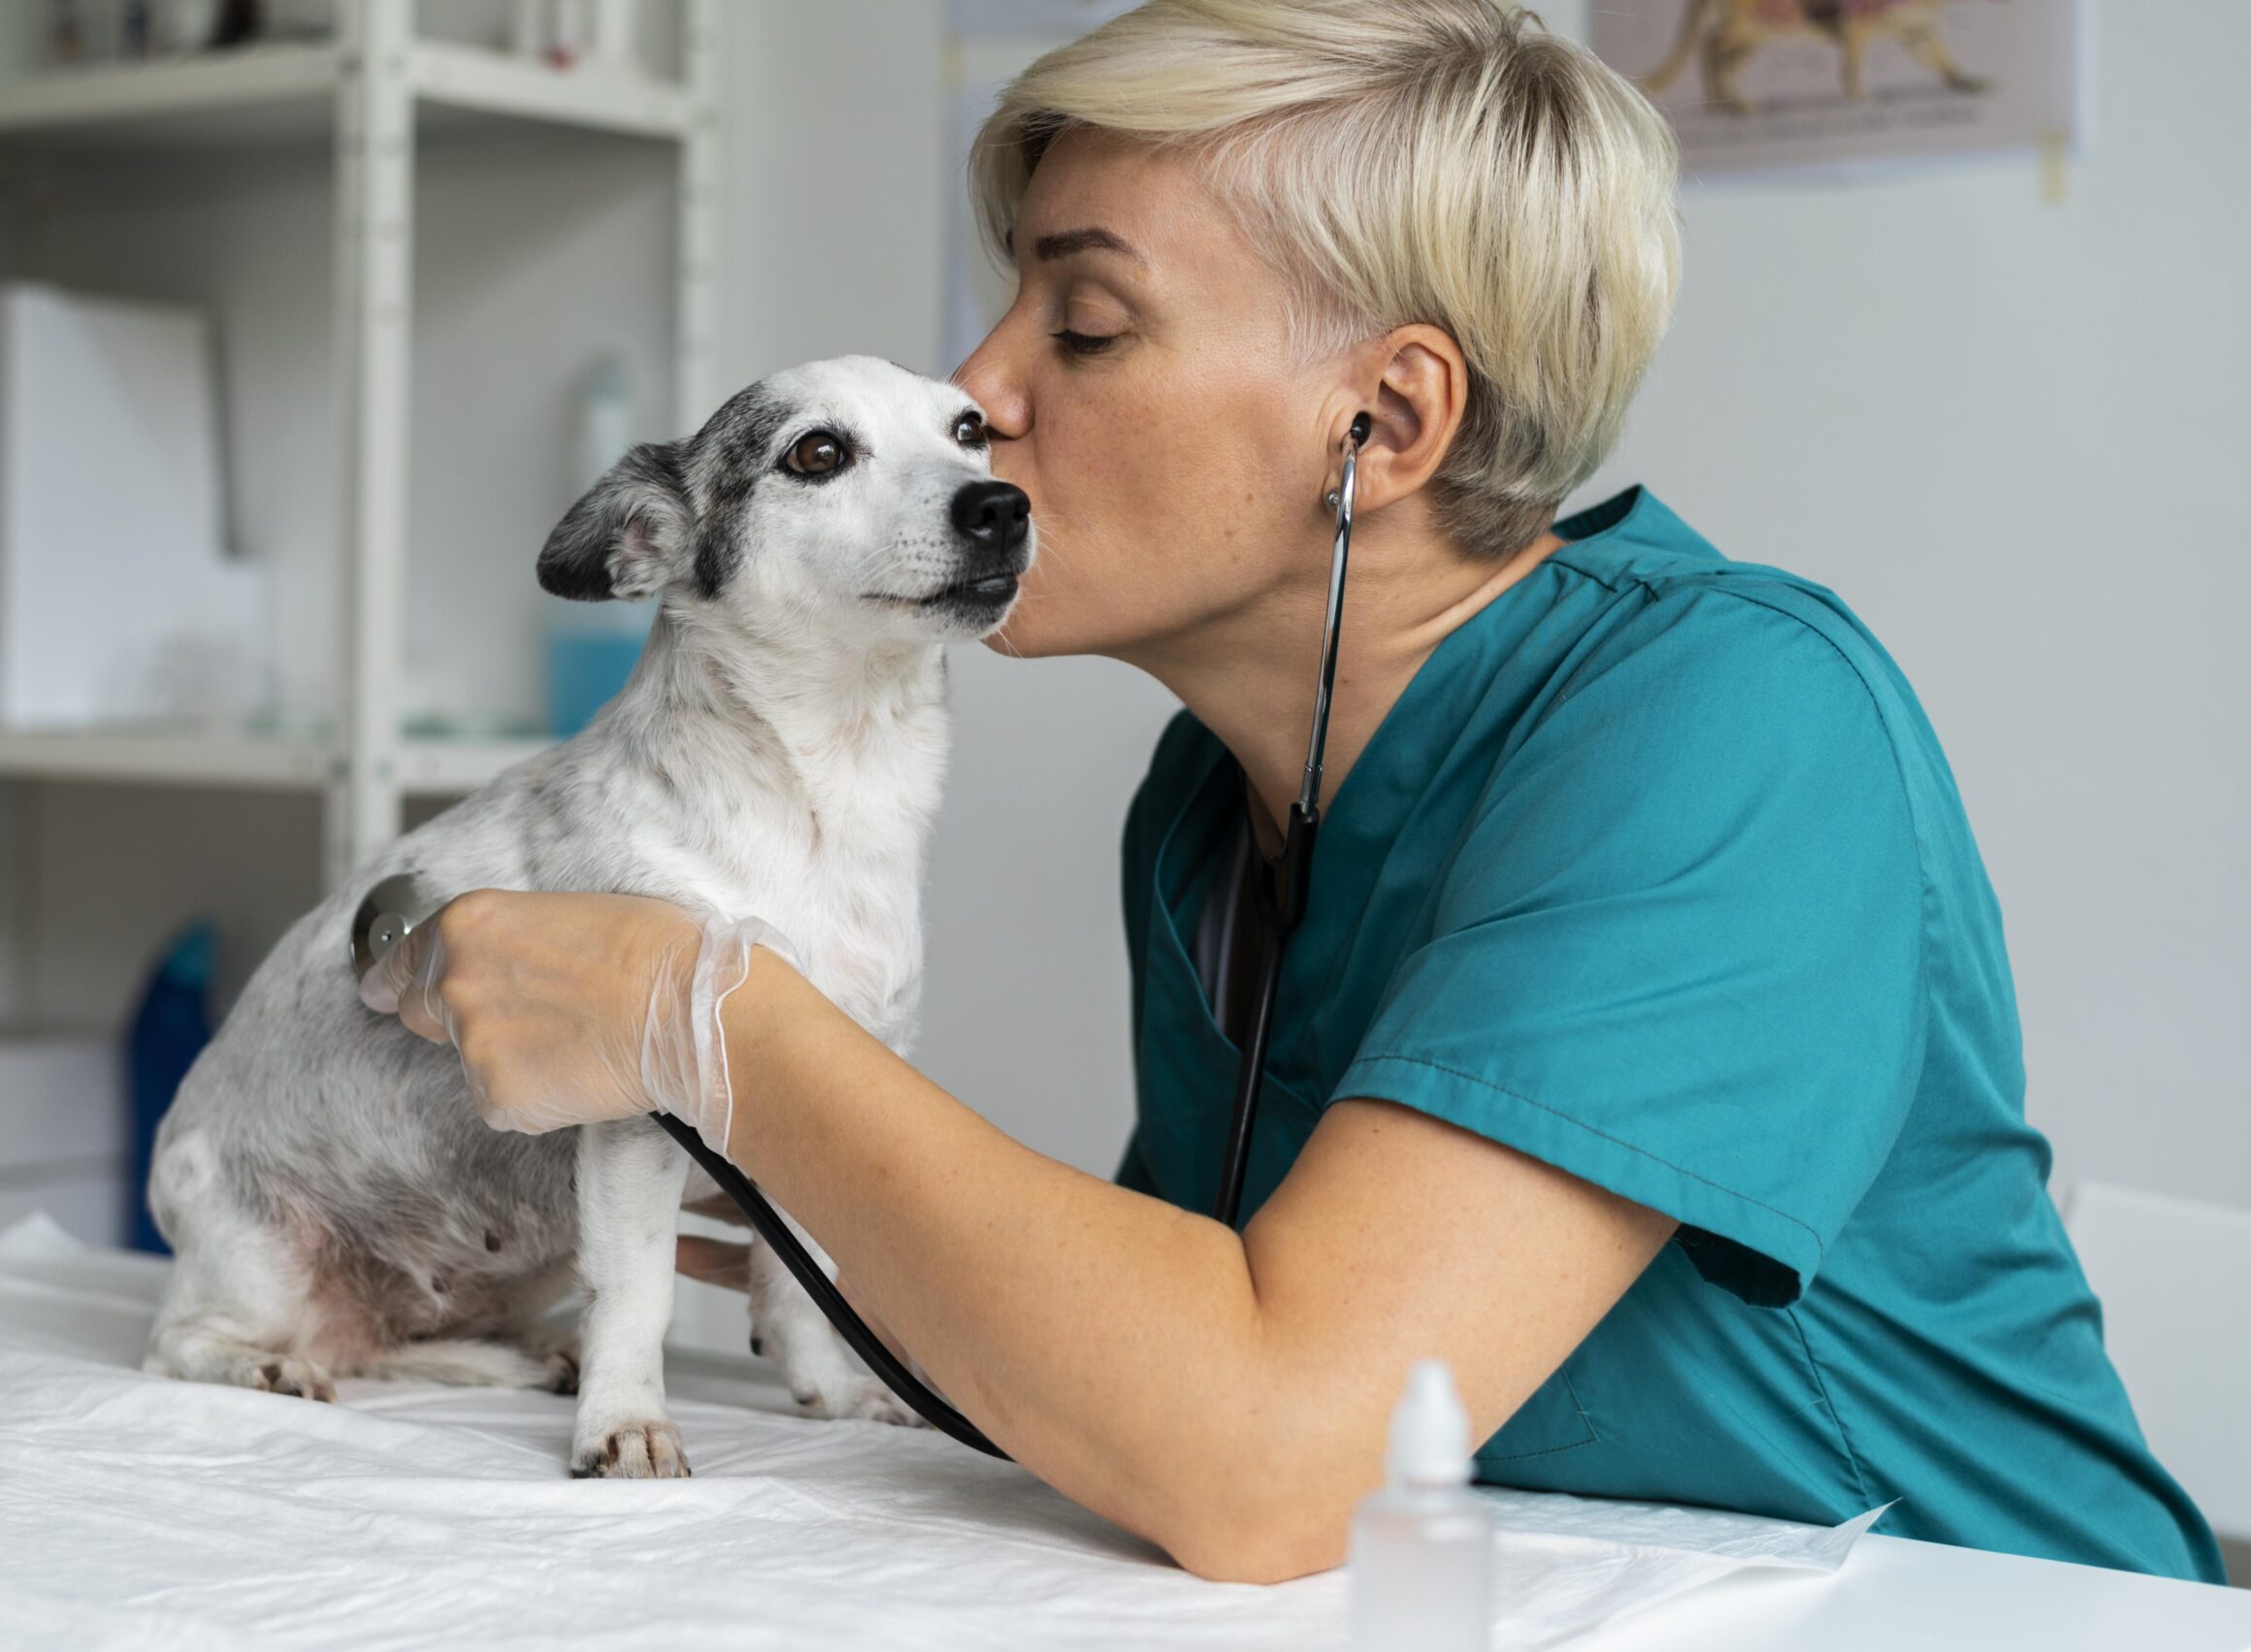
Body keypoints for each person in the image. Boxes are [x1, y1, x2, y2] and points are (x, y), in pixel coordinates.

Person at [360, 0, 2222, 1586]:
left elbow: (1264, 1458)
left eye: (1080, 327)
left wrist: (699, 1016)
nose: (978, 393)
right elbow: (1149, 1368)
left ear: (1387, 427)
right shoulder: (1211, 803)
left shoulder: (1734, 724)